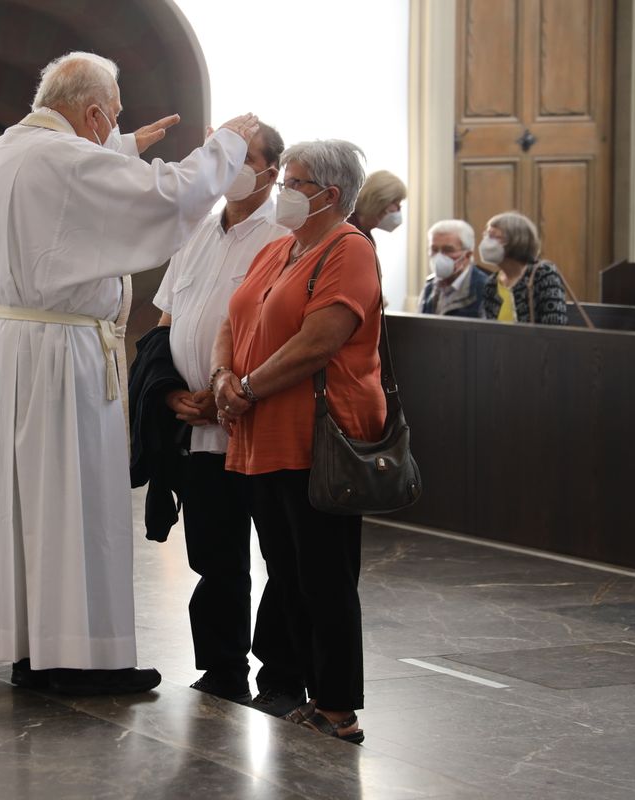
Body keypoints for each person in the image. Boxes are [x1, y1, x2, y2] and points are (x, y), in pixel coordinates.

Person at [0, 50, 260, 695]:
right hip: (60, 355)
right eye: (111, 118)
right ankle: (83, 657)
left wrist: (118, 145)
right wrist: (230, 142)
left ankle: (33, 648)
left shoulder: (6, 151)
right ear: (91, 111)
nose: (113, 128)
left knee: (25, 505)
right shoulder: (67, 159)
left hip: (11, 347)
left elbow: (69, 201)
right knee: (73, 502)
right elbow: (167, 196)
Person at [210, 139, 381, 743]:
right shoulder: (281, 248)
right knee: (286, 571)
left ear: (330, 195)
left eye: (294, 182)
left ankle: (337, 707)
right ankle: (304, 689)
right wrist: (223, 377)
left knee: (325, 575)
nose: (281, 191)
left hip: (318, 438)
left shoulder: (349, 249)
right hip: (262, 434)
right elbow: (234, 317)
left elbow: (320, 341)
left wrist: (248, 387)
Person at [149, 123, 288, 704]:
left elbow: (280, 330)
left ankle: (281, 674)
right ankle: (222, 666)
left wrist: (225, 388)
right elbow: (164, 324)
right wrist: (168, 392)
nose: (232, 168)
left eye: (245, 159)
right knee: (212, 554)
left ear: (272, 171)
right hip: (196, 429)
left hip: (254, 422)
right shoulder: (198, 232)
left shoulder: (283, 234)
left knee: (280, 557)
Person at [480, 211, 568, 325]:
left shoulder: (543, 273)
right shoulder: (491, 283)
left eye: (493, 237)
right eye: (486, 236)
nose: (486, 242)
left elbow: (555, 327)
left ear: (516, 241)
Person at [418, 219, 489, 317]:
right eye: (434, 249)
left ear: (467, 255)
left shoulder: (485, 289)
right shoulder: (430, 286)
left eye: (448, 250)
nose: (439, 256)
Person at [347, 169, 406, 245]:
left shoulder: (366, 236)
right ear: (378, 201)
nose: (399, 209)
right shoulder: (348, 233)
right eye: (396, 203)